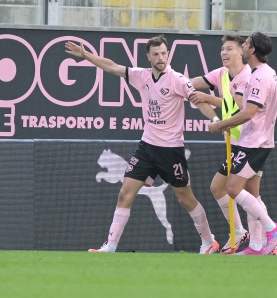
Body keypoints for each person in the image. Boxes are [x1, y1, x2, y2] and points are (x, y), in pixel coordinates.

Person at [65, 34, 220, 254]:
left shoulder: (177, 79)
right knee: (124, 193)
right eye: (156, 54)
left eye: (164, 53)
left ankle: (208, 241)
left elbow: (199, 100)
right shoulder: (141, 76)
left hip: (171, 150)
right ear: (148, 56)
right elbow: (111, 67)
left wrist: (215, 120)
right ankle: (110, 246)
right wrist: (85, 55)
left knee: (185, 198)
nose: (160, 57)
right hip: (147, 147)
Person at [189, 35, 277, 255]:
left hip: (248, 141)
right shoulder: (222, 74)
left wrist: (217, 120)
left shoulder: (250, 77)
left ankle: (265, 231)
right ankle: (261, 244)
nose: (224, 52)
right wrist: (171, 82)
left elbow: (245, 109)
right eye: (222, 48)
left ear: (244, 52)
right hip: (244, 139)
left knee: (227, 187)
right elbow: (189, 84)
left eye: (230, 48)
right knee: (250, 192)